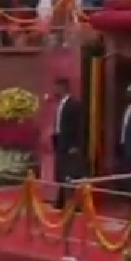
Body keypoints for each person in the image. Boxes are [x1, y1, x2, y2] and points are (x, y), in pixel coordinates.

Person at [49, 76, 87, 208]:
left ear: (63, 87)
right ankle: (61, 200)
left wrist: (76, 145)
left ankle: (74, 202)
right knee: (61, 172)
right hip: (60, 143)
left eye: (56, 87)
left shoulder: (74, 104)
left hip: (70, 145)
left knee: (71, 174)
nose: (54, 90)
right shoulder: (59, 105)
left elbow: (79, 126)